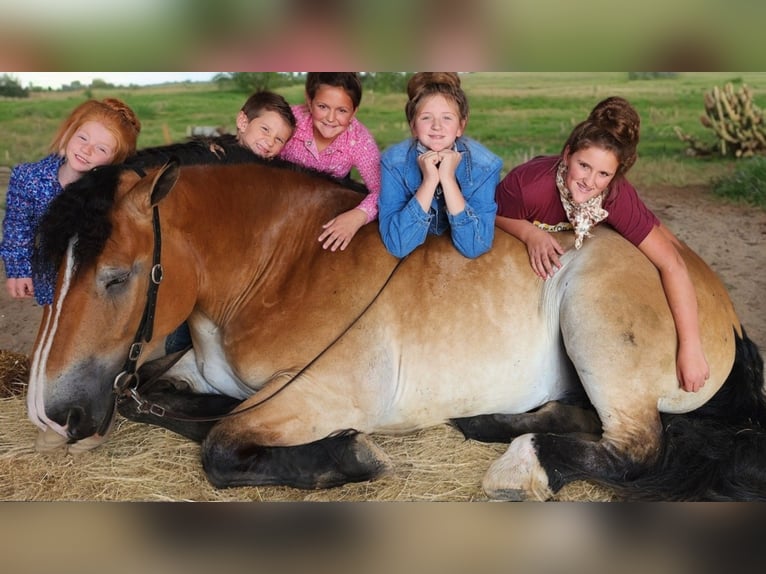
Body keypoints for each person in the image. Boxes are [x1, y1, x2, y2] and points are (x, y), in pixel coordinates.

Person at [494, 96, 710, 393]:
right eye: (583, 165)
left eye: (603, 174)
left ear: (615, 176)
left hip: (616, 210)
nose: (589, 181)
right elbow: (491, 213)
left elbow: (671, 264)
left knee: (667, 243)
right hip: (529, 205)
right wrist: (530, 233)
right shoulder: (528, 186)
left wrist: (691, 347)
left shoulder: (615, 196)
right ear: (567, 155)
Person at [1, 98, 141, 306]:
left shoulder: (113, 194)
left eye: (101, 149)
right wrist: (18, 271)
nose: (87, 150)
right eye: (83, 138)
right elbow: (18, 228)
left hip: (92, 283)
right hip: (50, 279)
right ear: (68, 134)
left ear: (114, 162)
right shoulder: (28, 178)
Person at [378, 72, 502, 259]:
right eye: (426, 117)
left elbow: (475, 246)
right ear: (413, 125)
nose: (437, 126)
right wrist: (429, 181)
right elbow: (398, 244)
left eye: (447, 118)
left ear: (461, 126)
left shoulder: (484, 166)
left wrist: (448, 179)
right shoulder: (392, 163)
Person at [279, 72, 381, 251]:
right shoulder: (290, 119)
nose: (331, 118)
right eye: (323, 106)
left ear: (354, 111)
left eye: (342, 110)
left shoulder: (359, 141)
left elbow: (382, 191)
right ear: (309, 101)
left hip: (322, 211)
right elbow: (257, 144)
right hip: (280, 201)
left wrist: (358, 216)